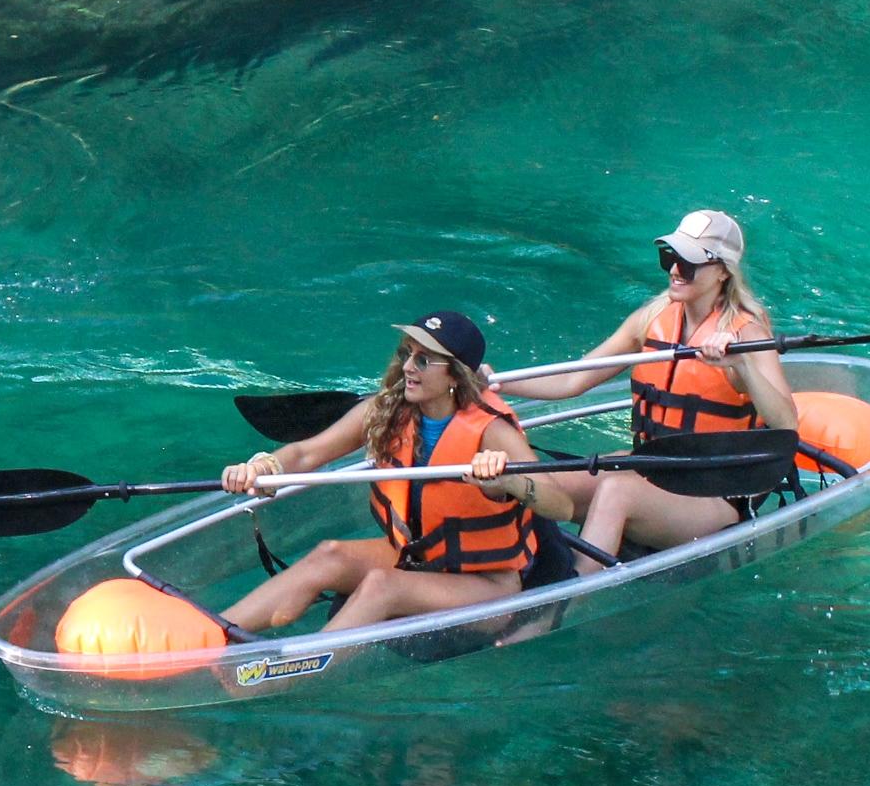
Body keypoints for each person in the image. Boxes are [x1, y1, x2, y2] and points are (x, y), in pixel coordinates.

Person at [214, 310, 574, 636]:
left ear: (455, 374)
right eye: (406, 354)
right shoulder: (388, 409)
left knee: (381, 586)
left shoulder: (492, 432)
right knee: (329, 554)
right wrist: (263, 467)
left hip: (487, 587)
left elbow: (561, 506)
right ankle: (211, 635)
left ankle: (289, 671)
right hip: (420, 558)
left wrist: (508, 480)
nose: (407, 368)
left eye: (423, 360)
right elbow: (307, 452)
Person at [528, 208, 800, 555]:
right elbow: (572, 381)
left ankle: (574, 595)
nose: (674, 269)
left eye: (687, 263)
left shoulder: (747, 332)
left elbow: (786, 424)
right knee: (540, 485)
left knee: (616, 490)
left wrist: (742, 366)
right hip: (653, 466)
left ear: (722, 271)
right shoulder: (652, 317)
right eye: (669, 257)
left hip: (714, 492)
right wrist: (488, 383)